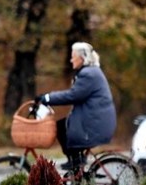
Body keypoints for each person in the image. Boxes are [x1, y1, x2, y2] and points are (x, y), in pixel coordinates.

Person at [36, 42, 116, 173]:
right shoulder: (91, 72)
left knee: (61, 127)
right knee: (63, 125)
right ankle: (76, 165)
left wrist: (47, 98)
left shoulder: (88, 74)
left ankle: (75, 161)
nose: (71, 59)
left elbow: (73, 95)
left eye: (73, 56)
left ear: (82, 58)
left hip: (93, 124)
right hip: (95, 120)